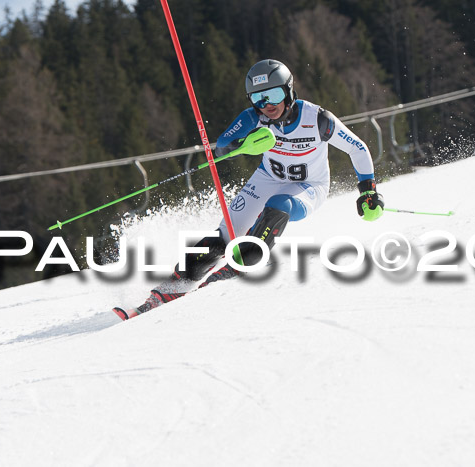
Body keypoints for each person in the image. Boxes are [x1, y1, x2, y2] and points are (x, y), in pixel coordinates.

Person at [113, 59, 385, 320]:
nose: (267, 105)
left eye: (274, 95)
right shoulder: (254, 117)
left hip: (309, 186)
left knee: (280, 204)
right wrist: (243, 143)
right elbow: (222, 146)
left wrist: (367, 190)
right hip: (266, 179)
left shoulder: (317, 119)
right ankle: (173, 286)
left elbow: (357, 147)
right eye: (258, 98)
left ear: (289, 90)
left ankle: (242, 263)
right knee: (224, 235)